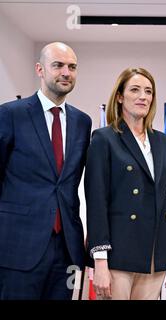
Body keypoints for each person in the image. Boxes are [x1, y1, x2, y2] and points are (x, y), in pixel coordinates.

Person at [0, 42, 92, 299]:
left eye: (72, 67)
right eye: (58, 65)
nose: (66, 72)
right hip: (17, 246)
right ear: (40, 70)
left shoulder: (83, 122)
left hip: (66, 248)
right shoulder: (10, 114)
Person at [84, 67, 166, 300]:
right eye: (135, 90)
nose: (143, 96)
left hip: (156, 254)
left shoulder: (163, 141)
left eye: (148, 91)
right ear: (119, 96)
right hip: (119, 254)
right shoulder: (104, 138)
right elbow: (96, 202)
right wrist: (100, 261)